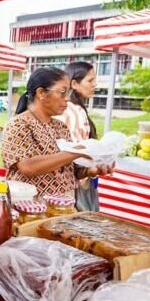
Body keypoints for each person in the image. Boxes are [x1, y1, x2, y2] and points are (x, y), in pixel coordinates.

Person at [0, 67, 112, 198]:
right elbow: (27, 167)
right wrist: (76, 152)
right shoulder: (18, 124)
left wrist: (92, 170)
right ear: (41, 93)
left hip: (64, 207)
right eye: (62, 92)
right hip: (32, 208)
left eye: (69, 93)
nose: (67, 99)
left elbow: (70, 170)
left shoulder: (61, 127)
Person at [58, 61, 100, 211]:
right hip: (76, 181)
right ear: (74, 83)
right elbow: (76, 152)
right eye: (90, 80)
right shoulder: (74, 111)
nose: (95, 84)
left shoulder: (73, 109)